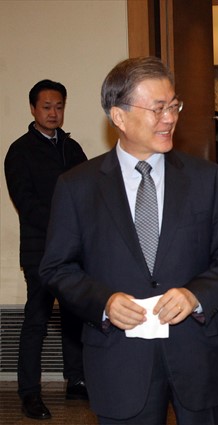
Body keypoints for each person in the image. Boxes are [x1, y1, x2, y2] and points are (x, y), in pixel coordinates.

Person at [39, 57, 218, 424]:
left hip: (199, 356)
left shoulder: (207, 179)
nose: (169, 118)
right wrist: (105, 303)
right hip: (119, 362)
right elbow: (56, 268)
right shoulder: (78, 186)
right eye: (157, 108)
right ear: (119, 116)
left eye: (174, 106)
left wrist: (195, 295)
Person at [4, 79, 88, 420]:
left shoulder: (72, 148)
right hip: (40, 250)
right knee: (36, 321)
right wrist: (64, 225)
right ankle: (29, 393)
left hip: (74, 251)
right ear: (33, 109)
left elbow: (88, 193)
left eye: (59, 107)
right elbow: (25, 202)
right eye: (47, 107)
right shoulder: (19, 151)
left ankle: (77, 380)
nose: (53, 113)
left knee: (74, 316)